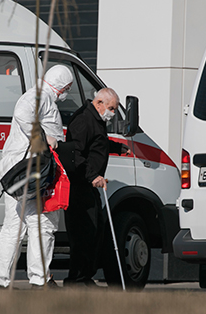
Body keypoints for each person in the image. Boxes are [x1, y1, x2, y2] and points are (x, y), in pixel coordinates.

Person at [0, 64, 73, 289]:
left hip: (17, 172)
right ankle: (39, 280)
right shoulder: (40, 97)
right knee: (43, 224)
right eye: (68, 88)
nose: (67, 93)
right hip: (33, 172)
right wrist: (43, 140)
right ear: (61, 86)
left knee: (13, 227)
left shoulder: (40, 96)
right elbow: (23, 114)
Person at [63, 88, 130, 287]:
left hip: (90, 185)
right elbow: (76, 153)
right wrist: (92, 175)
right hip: (81, 185)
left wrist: (116, 147)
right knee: (83, 233)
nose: (112, 113)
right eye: (111, 108)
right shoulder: (84, 120)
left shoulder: (96, 119)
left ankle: (85, 276)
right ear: (99, 102)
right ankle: (76, 279)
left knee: (94, 230)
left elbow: (97, 143)